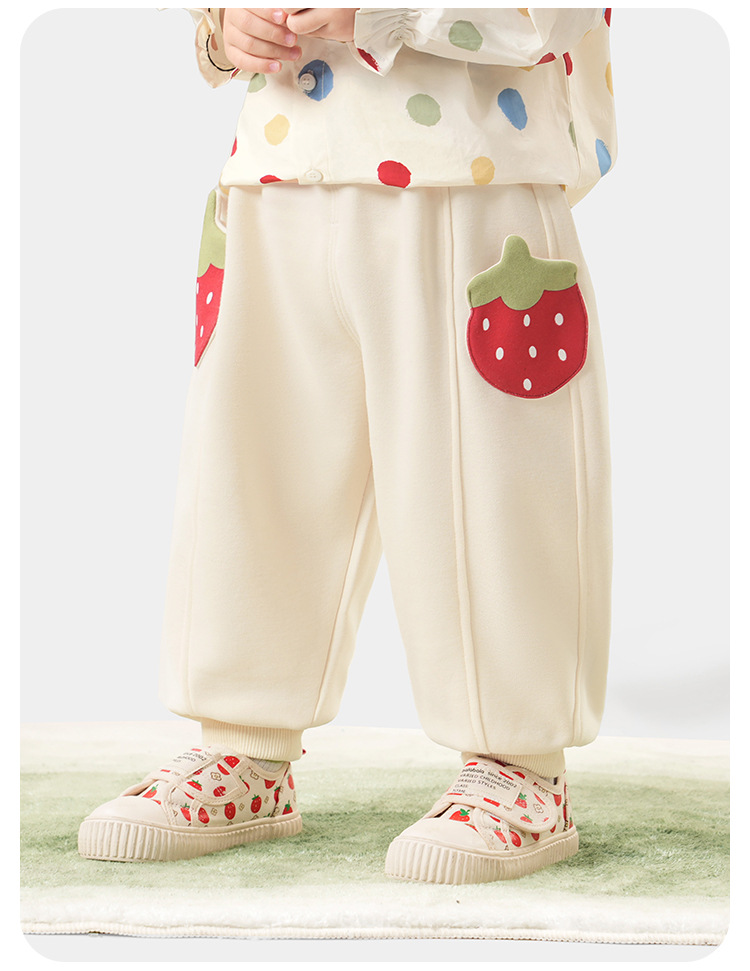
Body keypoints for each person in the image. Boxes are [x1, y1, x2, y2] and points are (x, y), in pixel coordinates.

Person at [78, 6, 616, 884]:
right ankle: (243, 743)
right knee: (255, 464)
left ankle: (520, 764)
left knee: (488, 479)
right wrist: (222, 31)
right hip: (279, 166)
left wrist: (384, 13)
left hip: (469, 168)